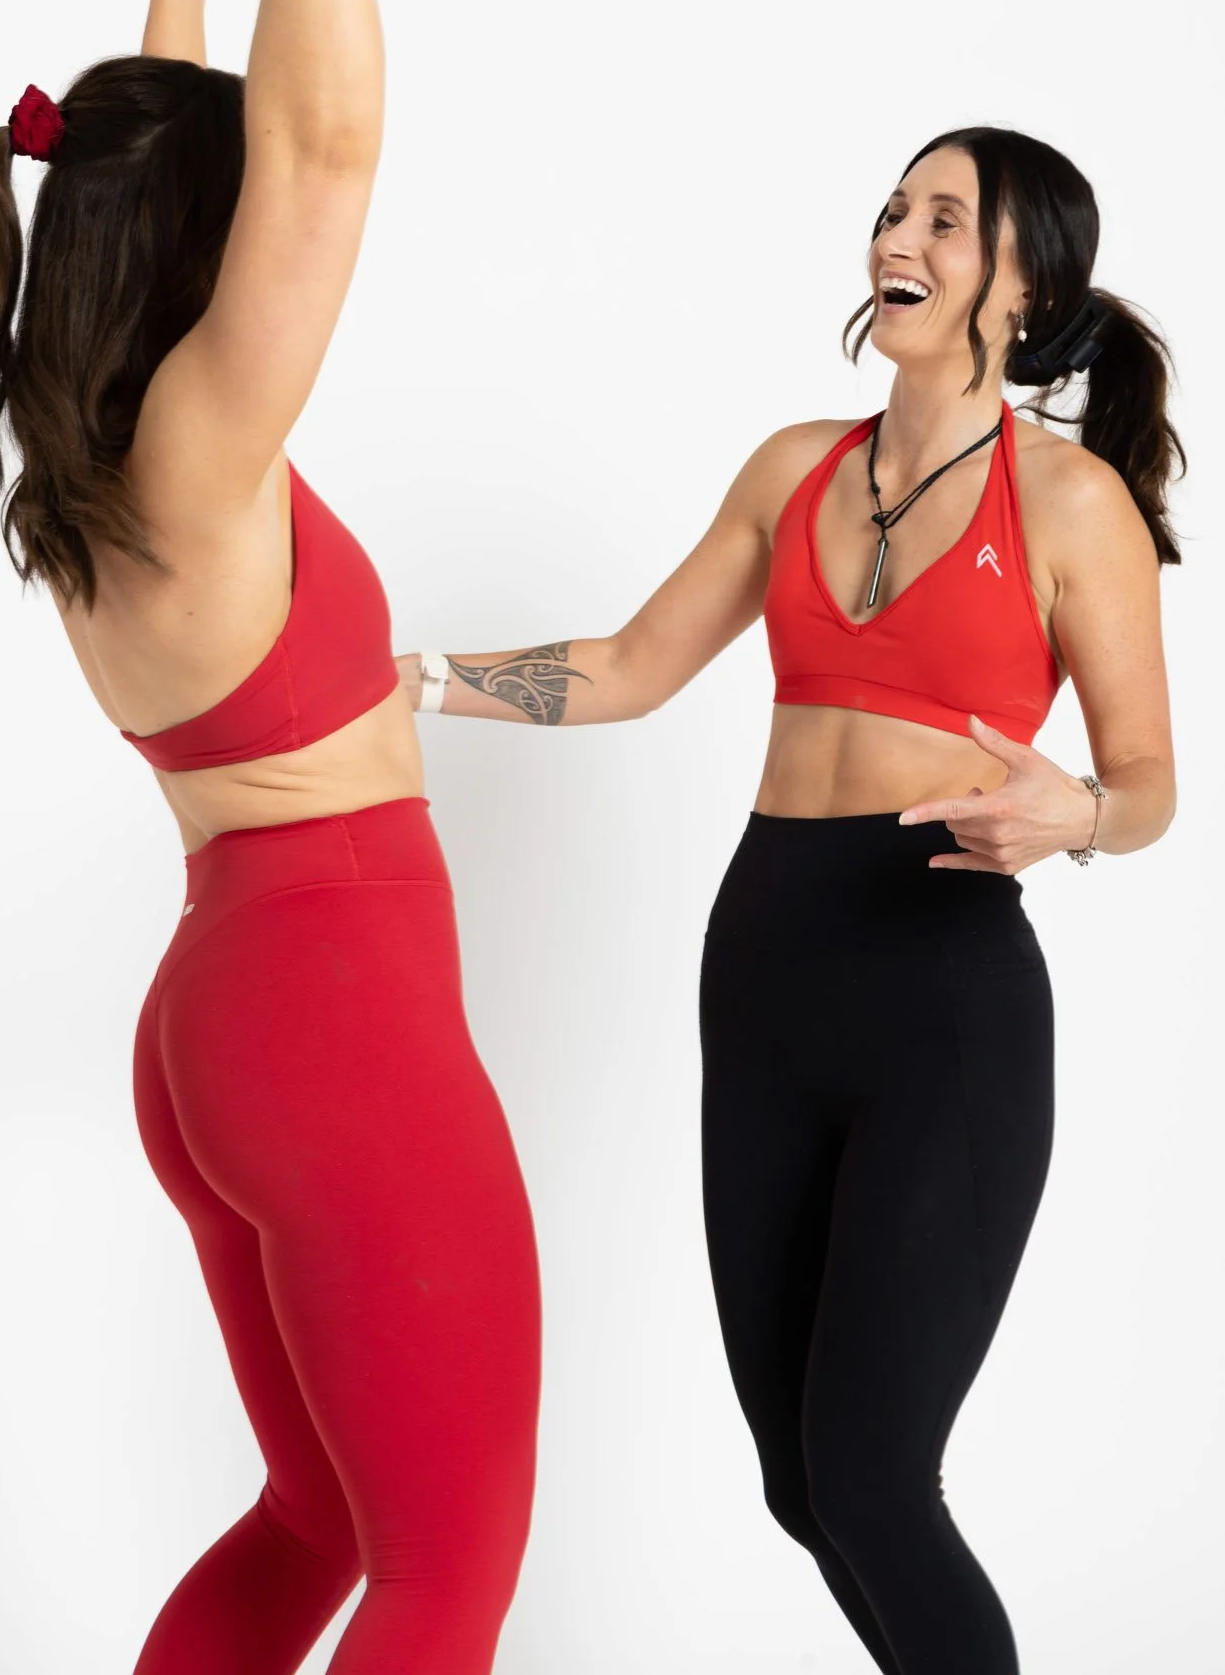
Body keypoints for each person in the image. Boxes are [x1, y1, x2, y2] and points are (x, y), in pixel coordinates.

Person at [0, 0, 540, 1675]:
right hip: (337, 1022)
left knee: (310, 1523)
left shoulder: (86, 433)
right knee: (439, 1571)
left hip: (219, 1026)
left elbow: (145, 185)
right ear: (191, 250)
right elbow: (323, 160)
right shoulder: (198, 443)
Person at [399, 125, 1180, 1674]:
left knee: (877, 1484)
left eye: (947, 220)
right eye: (897, 206)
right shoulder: (792, 468)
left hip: (939, 999)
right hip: (761, 982)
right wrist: (408, 683)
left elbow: (1149, 779)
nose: (901, 232)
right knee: (798, 1483)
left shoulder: (1070, 502)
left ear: (1019, 289)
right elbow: (625, 672)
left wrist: (1074, 813)